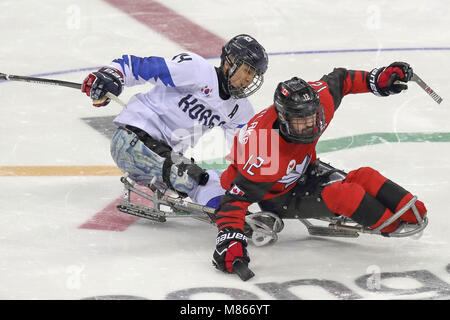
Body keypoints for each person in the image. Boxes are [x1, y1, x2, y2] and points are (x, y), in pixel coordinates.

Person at [212, 62, 428, 276]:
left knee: (366, 176)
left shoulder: (317, 104)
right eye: (300, 121)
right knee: (344, 195)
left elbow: (342, 80)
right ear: (284, 118)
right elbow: (233, 202)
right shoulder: (264, 153)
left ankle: (409, 213)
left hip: (303, 167)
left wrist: (378, 80)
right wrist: (230, 242)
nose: (310, 125)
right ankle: (390, 225)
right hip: (277, 193)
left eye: (312, 117)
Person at [81, 34, 268, 204]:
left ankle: (232, 215)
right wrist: (112, 75)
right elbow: (140, 67)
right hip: (132, 142)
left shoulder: (240, 108)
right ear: (230, 62)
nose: (249, 80)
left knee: (218, 181)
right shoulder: (197, 70)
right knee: (196, 179)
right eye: (247, 71)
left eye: (254, 75)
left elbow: (249, 150)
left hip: (166, 154)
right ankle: (228, 219)